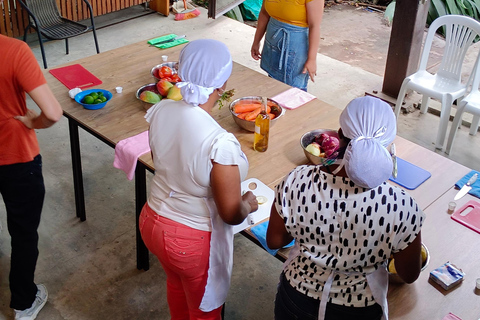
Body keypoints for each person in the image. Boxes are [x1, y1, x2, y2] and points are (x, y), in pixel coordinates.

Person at [266, 96, 425, 320]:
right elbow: (409, 274)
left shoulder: (297, 181)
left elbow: (274, 241)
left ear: (339, 134)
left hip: (296, 300)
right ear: (389, 144)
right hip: (359, 310)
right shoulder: (401, 207)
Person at [140, 39, 259, 320]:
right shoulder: (220, 142)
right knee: (205, 311)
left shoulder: (161, 110)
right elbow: (231, 214)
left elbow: (165, 160)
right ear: (222, 83)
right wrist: (248, 203)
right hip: (188, 239)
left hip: (151, 220)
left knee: (177, 286)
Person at [0, 29, 63, 320]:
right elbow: (52, 112)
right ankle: (24, 304)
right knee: (23, 233)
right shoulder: (13, 50)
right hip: (16, 158)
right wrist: (32, 122)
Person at [250, 0, 324, 91]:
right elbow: (264, 13)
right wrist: (256, 41)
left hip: (296, 46)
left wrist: (312, 59)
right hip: (272, 42)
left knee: (294, 90)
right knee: (273, 85)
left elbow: (315, 26)